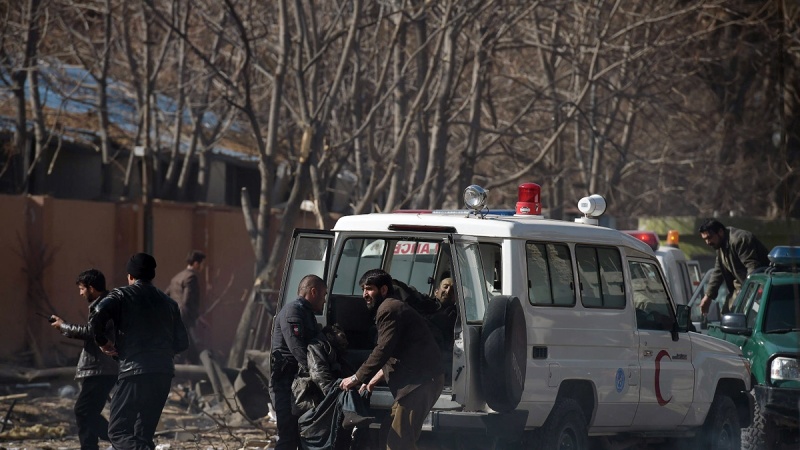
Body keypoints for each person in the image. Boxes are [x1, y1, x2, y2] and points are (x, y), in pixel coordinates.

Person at [89, 252, 189, 450]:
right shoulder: (169, 303)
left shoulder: (121, 295)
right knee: (142, 435)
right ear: (152, 276)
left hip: (134, 371)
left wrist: (103, 342)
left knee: (118, 432)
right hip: (163, 373)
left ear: (130, 276)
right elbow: (182, 342)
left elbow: (96, 318)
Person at [339, 269, 443, 450]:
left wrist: (356, 378)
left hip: (419, 383)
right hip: (416, 383)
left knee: (398, 443)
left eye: (369, 289)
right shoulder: (393, 306)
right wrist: (373, 380)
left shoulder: (388, 309)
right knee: (388, 432)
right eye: (363, 289)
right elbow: (393, 351)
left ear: (384, 289)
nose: (365, 294)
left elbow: (383, 350)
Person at [49, 269, 118, 450]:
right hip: (101, 366)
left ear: (92, 288)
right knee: (88, 413)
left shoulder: (103, 305)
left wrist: (63, 326)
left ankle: (121, 440)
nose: (80, 293)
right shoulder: (104, 303)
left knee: (83, 410)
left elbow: (91, 332)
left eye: (82, 289)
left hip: (101, 367)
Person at [269, 274, 328, 450]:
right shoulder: (293, 311)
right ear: (313, 291)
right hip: (286, 385)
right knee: (288, 437)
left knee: (302, 437)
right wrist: (319, 376)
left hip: (298, 384)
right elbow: (298, 350)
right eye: (324, 295)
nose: (325, 301)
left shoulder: (306, 313)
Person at [698, 219, 770, 315]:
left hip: (758, 289)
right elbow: (718, 272)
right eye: (705, 239)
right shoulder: (720, 245)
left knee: (752, 317)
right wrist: (708, 297)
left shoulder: (740, 240)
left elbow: (753, 267)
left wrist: (751, 293)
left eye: (709, 237)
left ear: (720, 232)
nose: (707, 242)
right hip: (741, 289)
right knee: (726, 316)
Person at [165, 250, 206, 364]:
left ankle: (191, 380)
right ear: (196, 263)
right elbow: (188, 301)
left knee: (192, 354)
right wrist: (196, 317)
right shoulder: (191, 277)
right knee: (182, 353)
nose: (203, 267)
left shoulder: (176, 277)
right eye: (202, 264)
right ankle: (172, 379)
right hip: (184, 319)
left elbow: (166, 295)